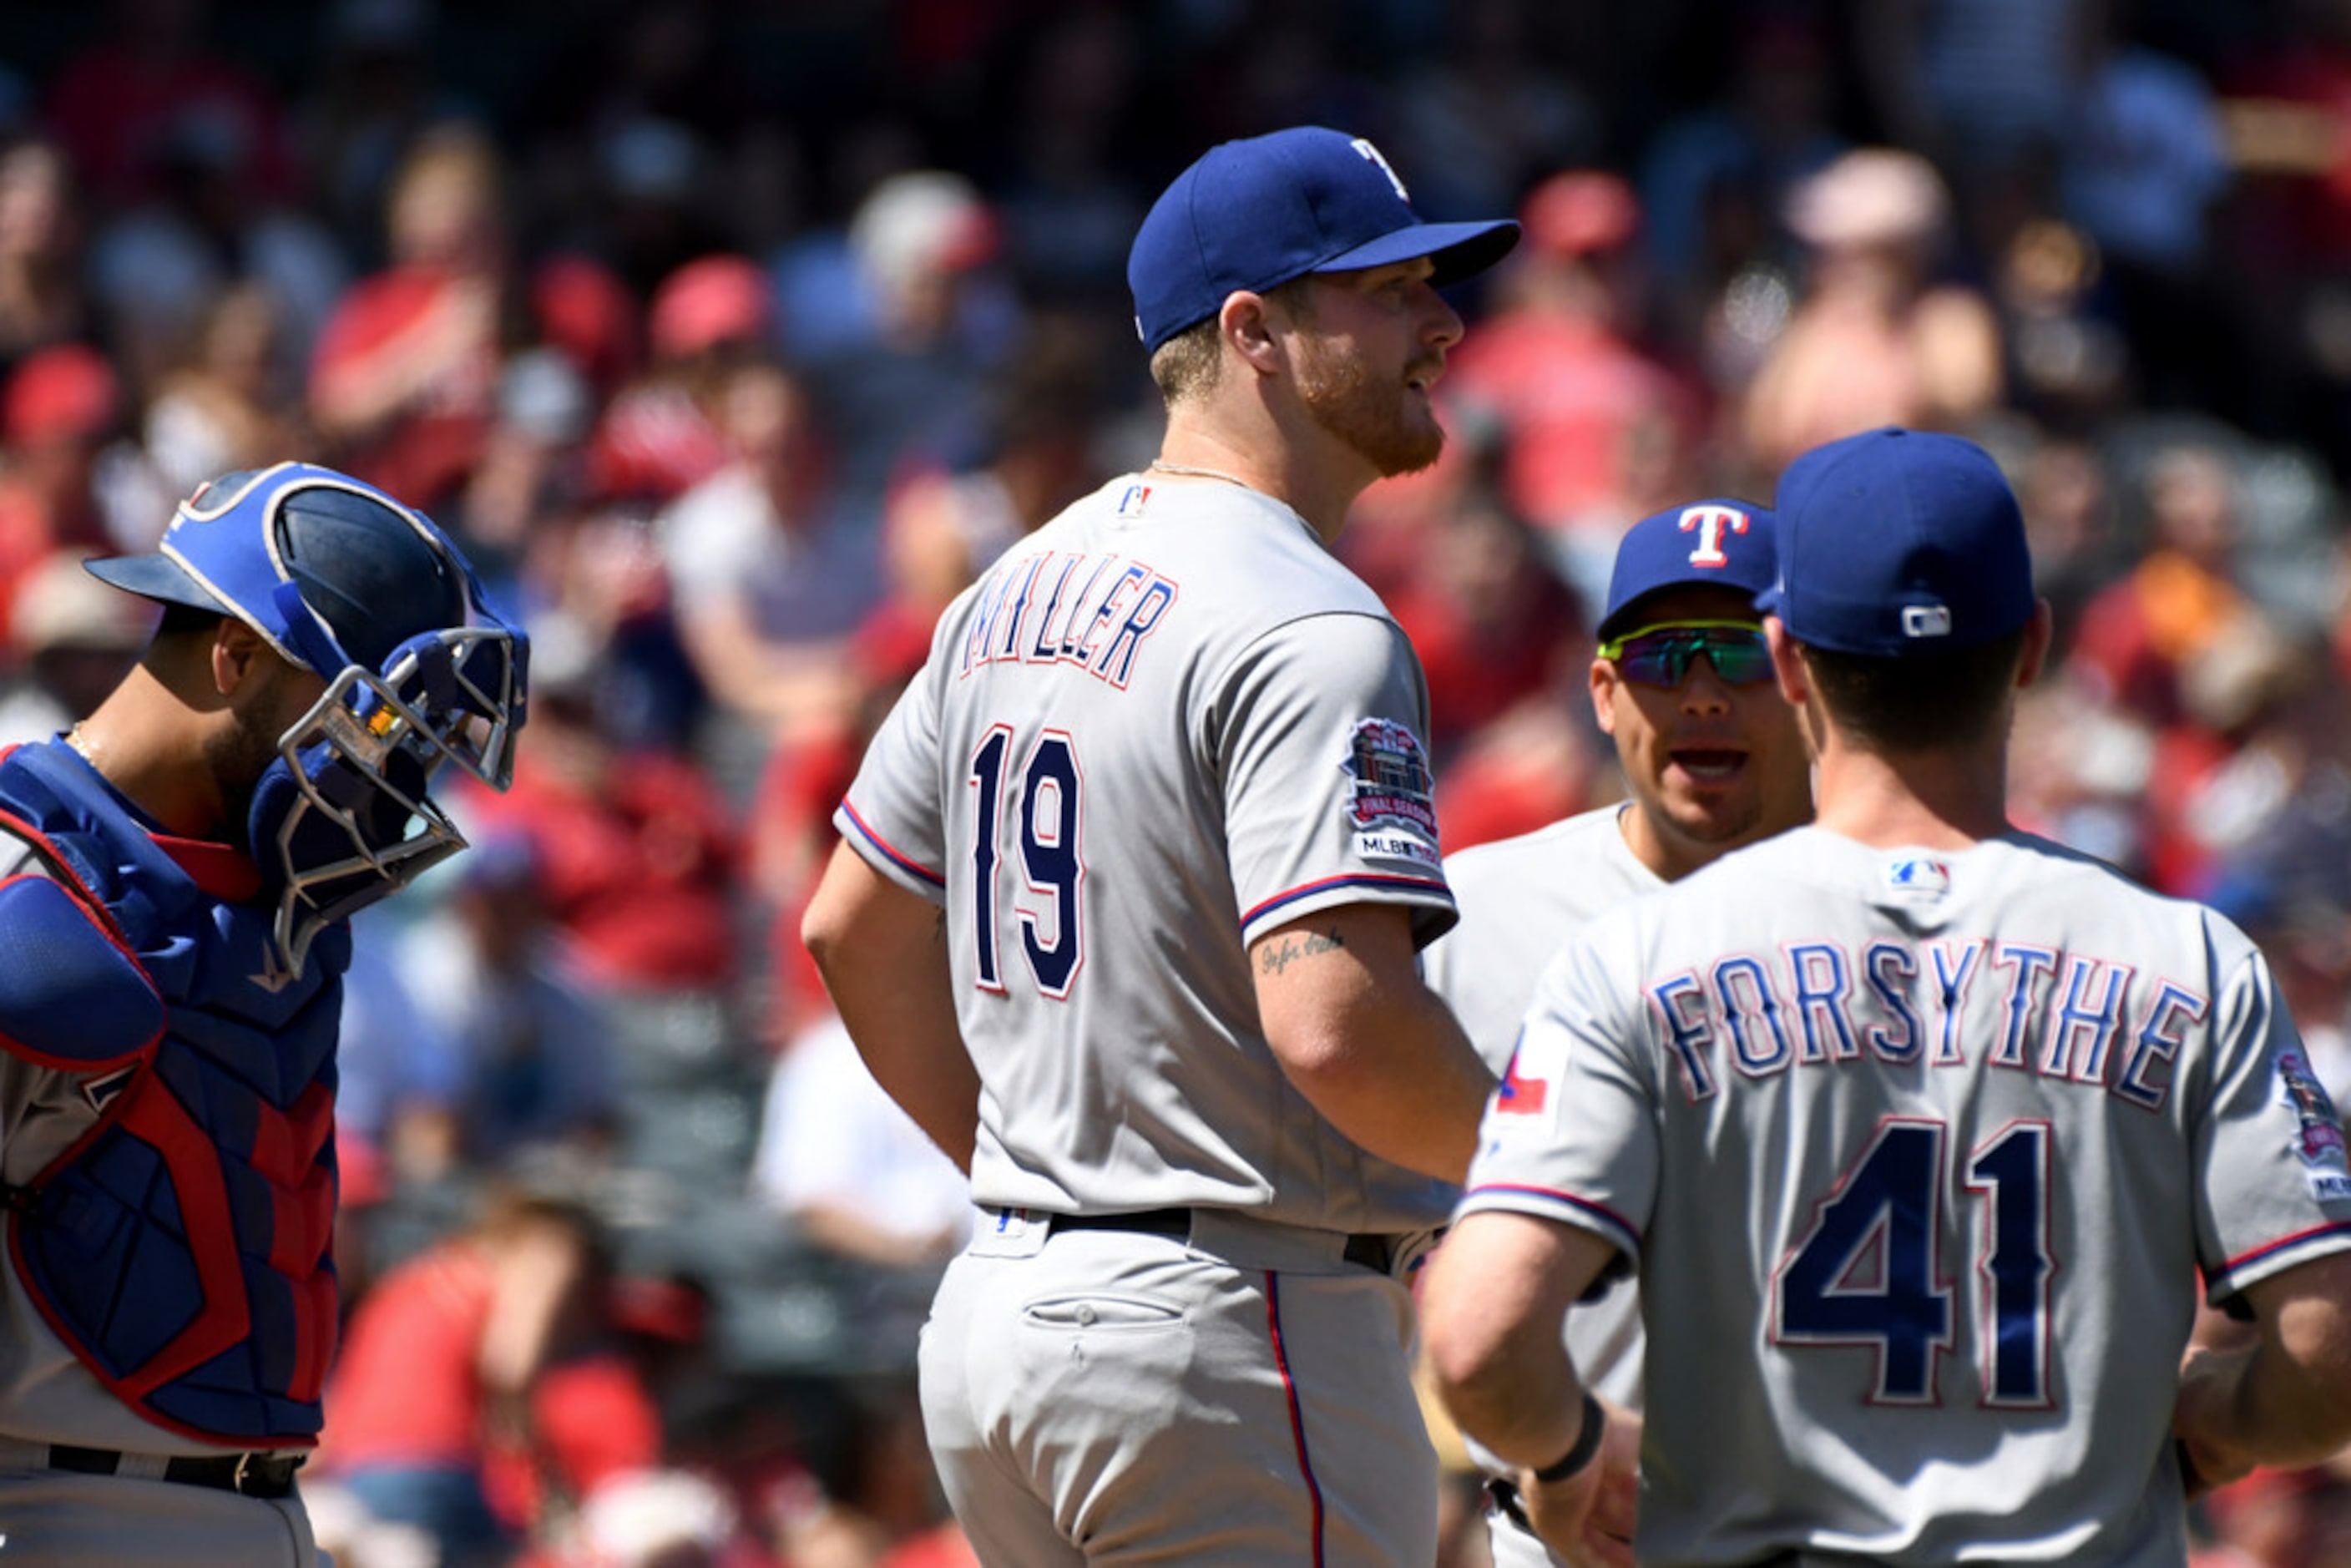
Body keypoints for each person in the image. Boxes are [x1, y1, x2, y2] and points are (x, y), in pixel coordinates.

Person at [1421, 427, 2351, 1565]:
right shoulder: (2189, 957)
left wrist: (1568, 1461)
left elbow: (1478, 1336)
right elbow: (2333, 1352)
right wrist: (2214, 1420)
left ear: (1790, 658)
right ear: (2032, 649)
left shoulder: (1640, 954)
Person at [801, 124, 1517, 1564]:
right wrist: (1574, 1171)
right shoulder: (1309, 620)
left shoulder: (1015, 579)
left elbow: (849, 928)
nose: (1441, 321)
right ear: (1252, 331)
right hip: (1229, 1334)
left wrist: (1049, 1194)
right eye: (1385, 288)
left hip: (1006, 1311)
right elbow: (1336, 1026)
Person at [0, 460, 528, 1566]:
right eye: (371, 724)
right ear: (233, 653)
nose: (388, 780)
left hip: (269, 1502)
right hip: (60, 1510)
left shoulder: (285, 900)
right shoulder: (25, 882)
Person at [1418, 495, 1810, 1566]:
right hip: (1566, 1530)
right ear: (1601, 690)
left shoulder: (1894, 912)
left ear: (1805, 681)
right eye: (1660, 656)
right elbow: (1365, 1219)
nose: (1698, 694)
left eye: (1738, 654)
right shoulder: (1472, 911)